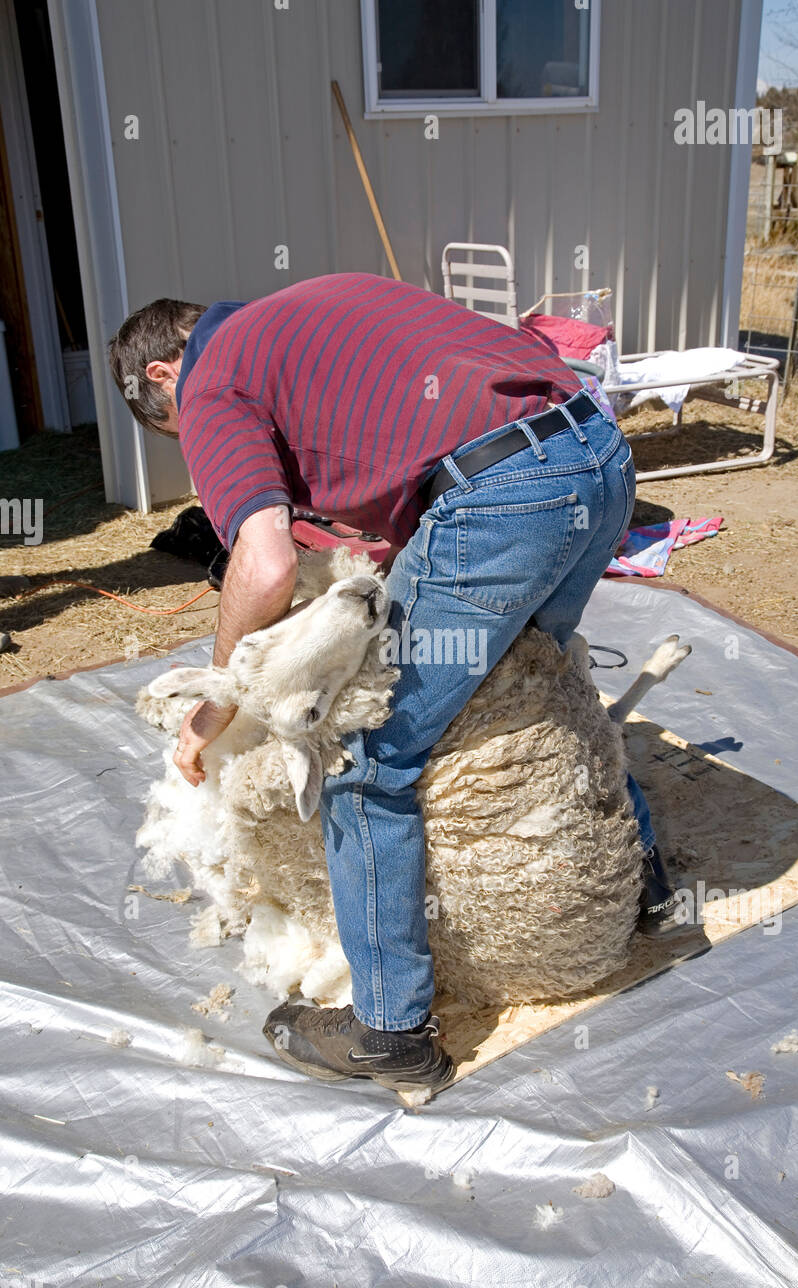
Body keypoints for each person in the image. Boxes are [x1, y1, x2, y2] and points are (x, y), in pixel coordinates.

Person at [109, 273, 678, 1097]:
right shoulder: (313, 305)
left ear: (163, 375)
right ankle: (643, 881)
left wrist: (218, 700)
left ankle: (392, 1029)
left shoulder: (210, 381)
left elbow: (263, 563)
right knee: (534, 684)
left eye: (173, 431)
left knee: (367, 759)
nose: (189, 439)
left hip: (500, 496)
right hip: (594, 452)